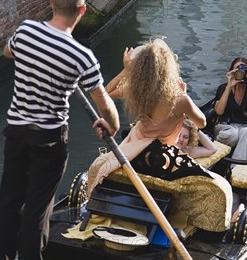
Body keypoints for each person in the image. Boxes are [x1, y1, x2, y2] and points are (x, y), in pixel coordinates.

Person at [0, 0, 119, 260]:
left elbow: (8, 53)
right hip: (49, 137)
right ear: (82, 10)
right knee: (38, 206)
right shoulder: (81, 56)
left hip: (16, 131)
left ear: (51, 3)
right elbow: (105, 105)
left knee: (10, 198)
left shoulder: (26, 31)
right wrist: (109, 125)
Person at [87, 37, 208, 193]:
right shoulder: (179, 99)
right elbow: (202, 123)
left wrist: (126, 70)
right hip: (161, 158)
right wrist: (185, 96)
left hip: (135, 150)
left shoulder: (136, 91)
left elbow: (106, 94)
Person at [213, 57, 247, 160]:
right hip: (228, 127)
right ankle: (218, 158)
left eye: (243, 69)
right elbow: (219, 111)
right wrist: (229, 86)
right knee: (233, 134)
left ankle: (235, 168)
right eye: (237, 69)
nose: (240, 71)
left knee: (245, 132)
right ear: (232, 71)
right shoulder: (223, 88)